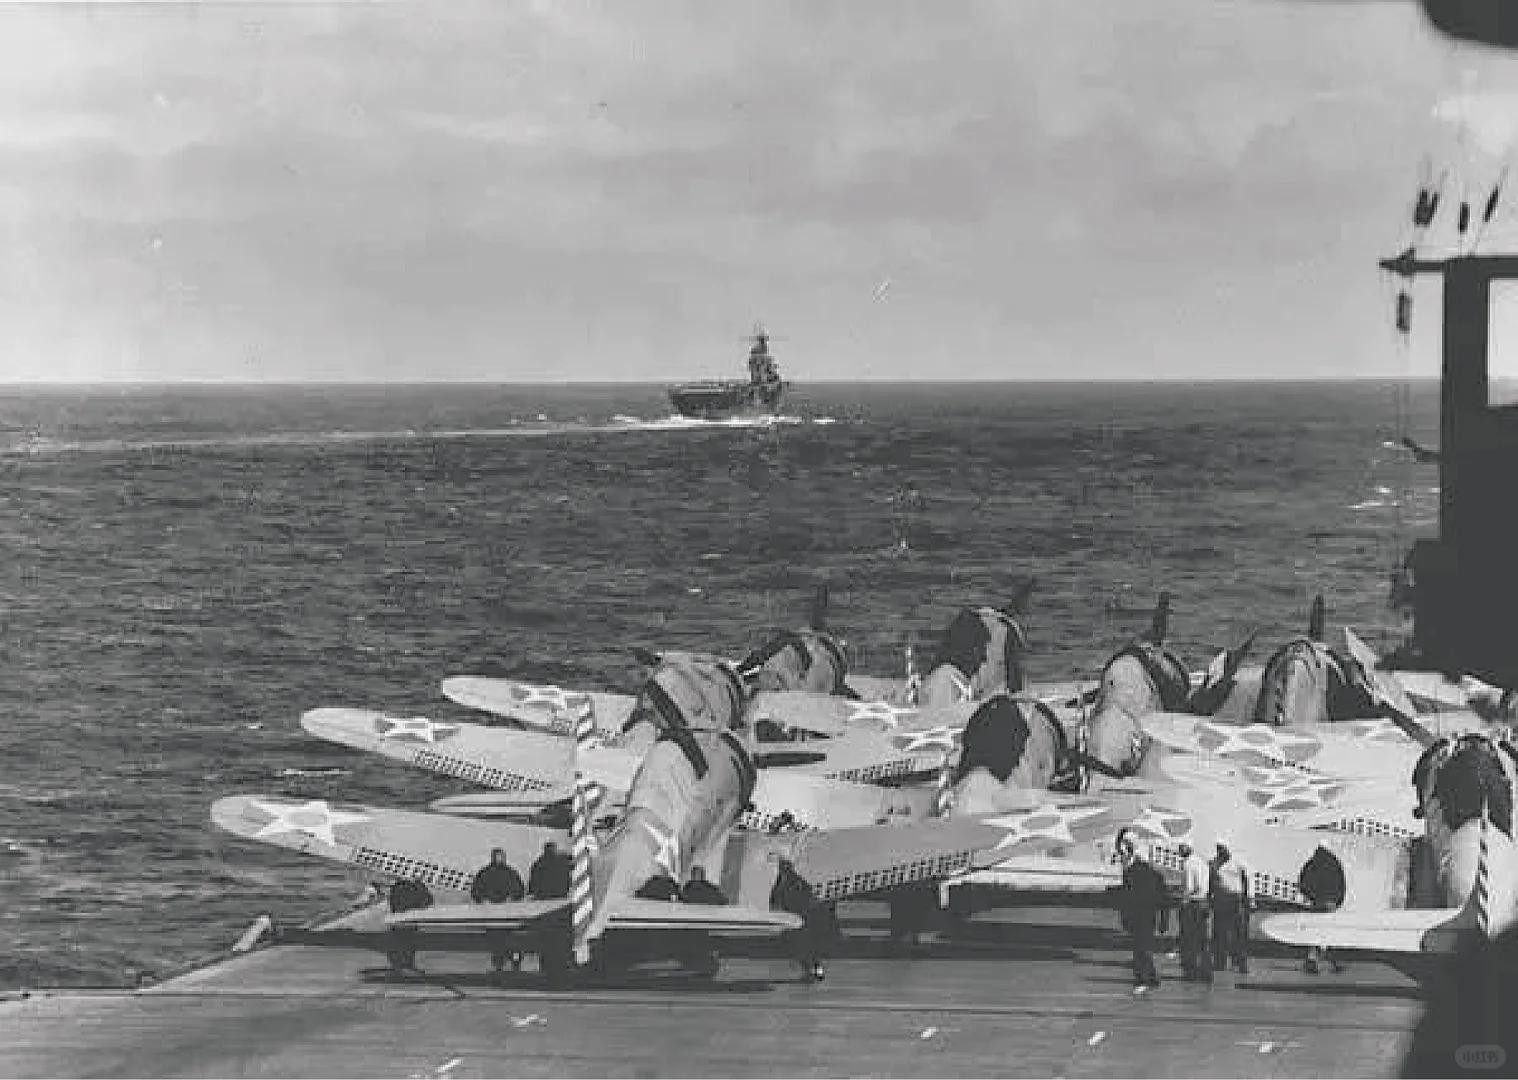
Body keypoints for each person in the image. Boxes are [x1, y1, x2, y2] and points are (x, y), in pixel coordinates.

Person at [1115, 834, 1167, 994]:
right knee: (1144, 946)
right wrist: (1163, 919)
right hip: (1149, 914)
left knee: (1139, 948)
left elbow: (1127, 897)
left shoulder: (1131, 872)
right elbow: (1162, 899)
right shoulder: (1155, 874)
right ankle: (1151, 976)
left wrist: (1124, 916)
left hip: (1137, 914)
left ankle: (1143, 979)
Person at [770, 858, 827, 982]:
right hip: (795, 917)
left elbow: (776, 897)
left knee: (802, 945)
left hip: (799, 917)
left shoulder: (792, 882)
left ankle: (814, 969)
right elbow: (775, 897)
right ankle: (813, 969)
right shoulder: (789, 881)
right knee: (802, 946)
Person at [470, 848, 526, 974]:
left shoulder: (489, 873)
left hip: (503, 915)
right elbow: (476, 892)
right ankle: (503, 964)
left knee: (507, 941)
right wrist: (484, 901)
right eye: (498, 856)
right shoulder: (507, 873)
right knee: (501, 942)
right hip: (497, 915)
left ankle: (509, 963)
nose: (499, 859)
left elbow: (519, 891)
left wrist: (511, 899)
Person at [1298, 845, 1347, 975]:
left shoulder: (1310, 864)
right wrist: (1337, 901)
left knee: (1315, 931)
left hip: (1316, 902)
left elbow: (1303, 884)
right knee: (1328, 931)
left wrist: (1310, 897)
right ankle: (1329, 960)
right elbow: (1341, 885)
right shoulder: (1334, 864)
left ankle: (1312, 960)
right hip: (1330, 903)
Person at [1210, 842, 1251, 975]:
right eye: (1218, 848)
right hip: (1220, 899)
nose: (1220, 851)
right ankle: (1219, 962)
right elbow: (1211, 881)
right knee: (1219, 933)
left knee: (1238, 934)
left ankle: (1241, 963)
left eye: (1222, 848)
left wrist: (1247, 898)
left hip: (1235, 899)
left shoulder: (1238, 862)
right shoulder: (1214, 863)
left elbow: (1246, 879)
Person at [1178, 842, 1212, 981]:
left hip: (1192, 904)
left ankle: (1190, 971)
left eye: (1182, 848)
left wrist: (1184, 897)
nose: (1179, 850)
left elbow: (1192, 887)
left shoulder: (1188, 864)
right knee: (1202, 939)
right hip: (1203, 902)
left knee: (1188, 939)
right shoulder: (1203, 863)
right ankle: (1206, 971)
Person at [386, 878, 434, 974]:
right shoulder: (403, 887)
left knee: (407, 940)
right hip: (403, 919)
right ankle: (401, 966)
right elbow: (427, 900)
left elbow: (428, 900)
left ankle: (404, 965)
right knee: (402, 940)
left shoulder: (409, 886)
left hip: (407, 919)